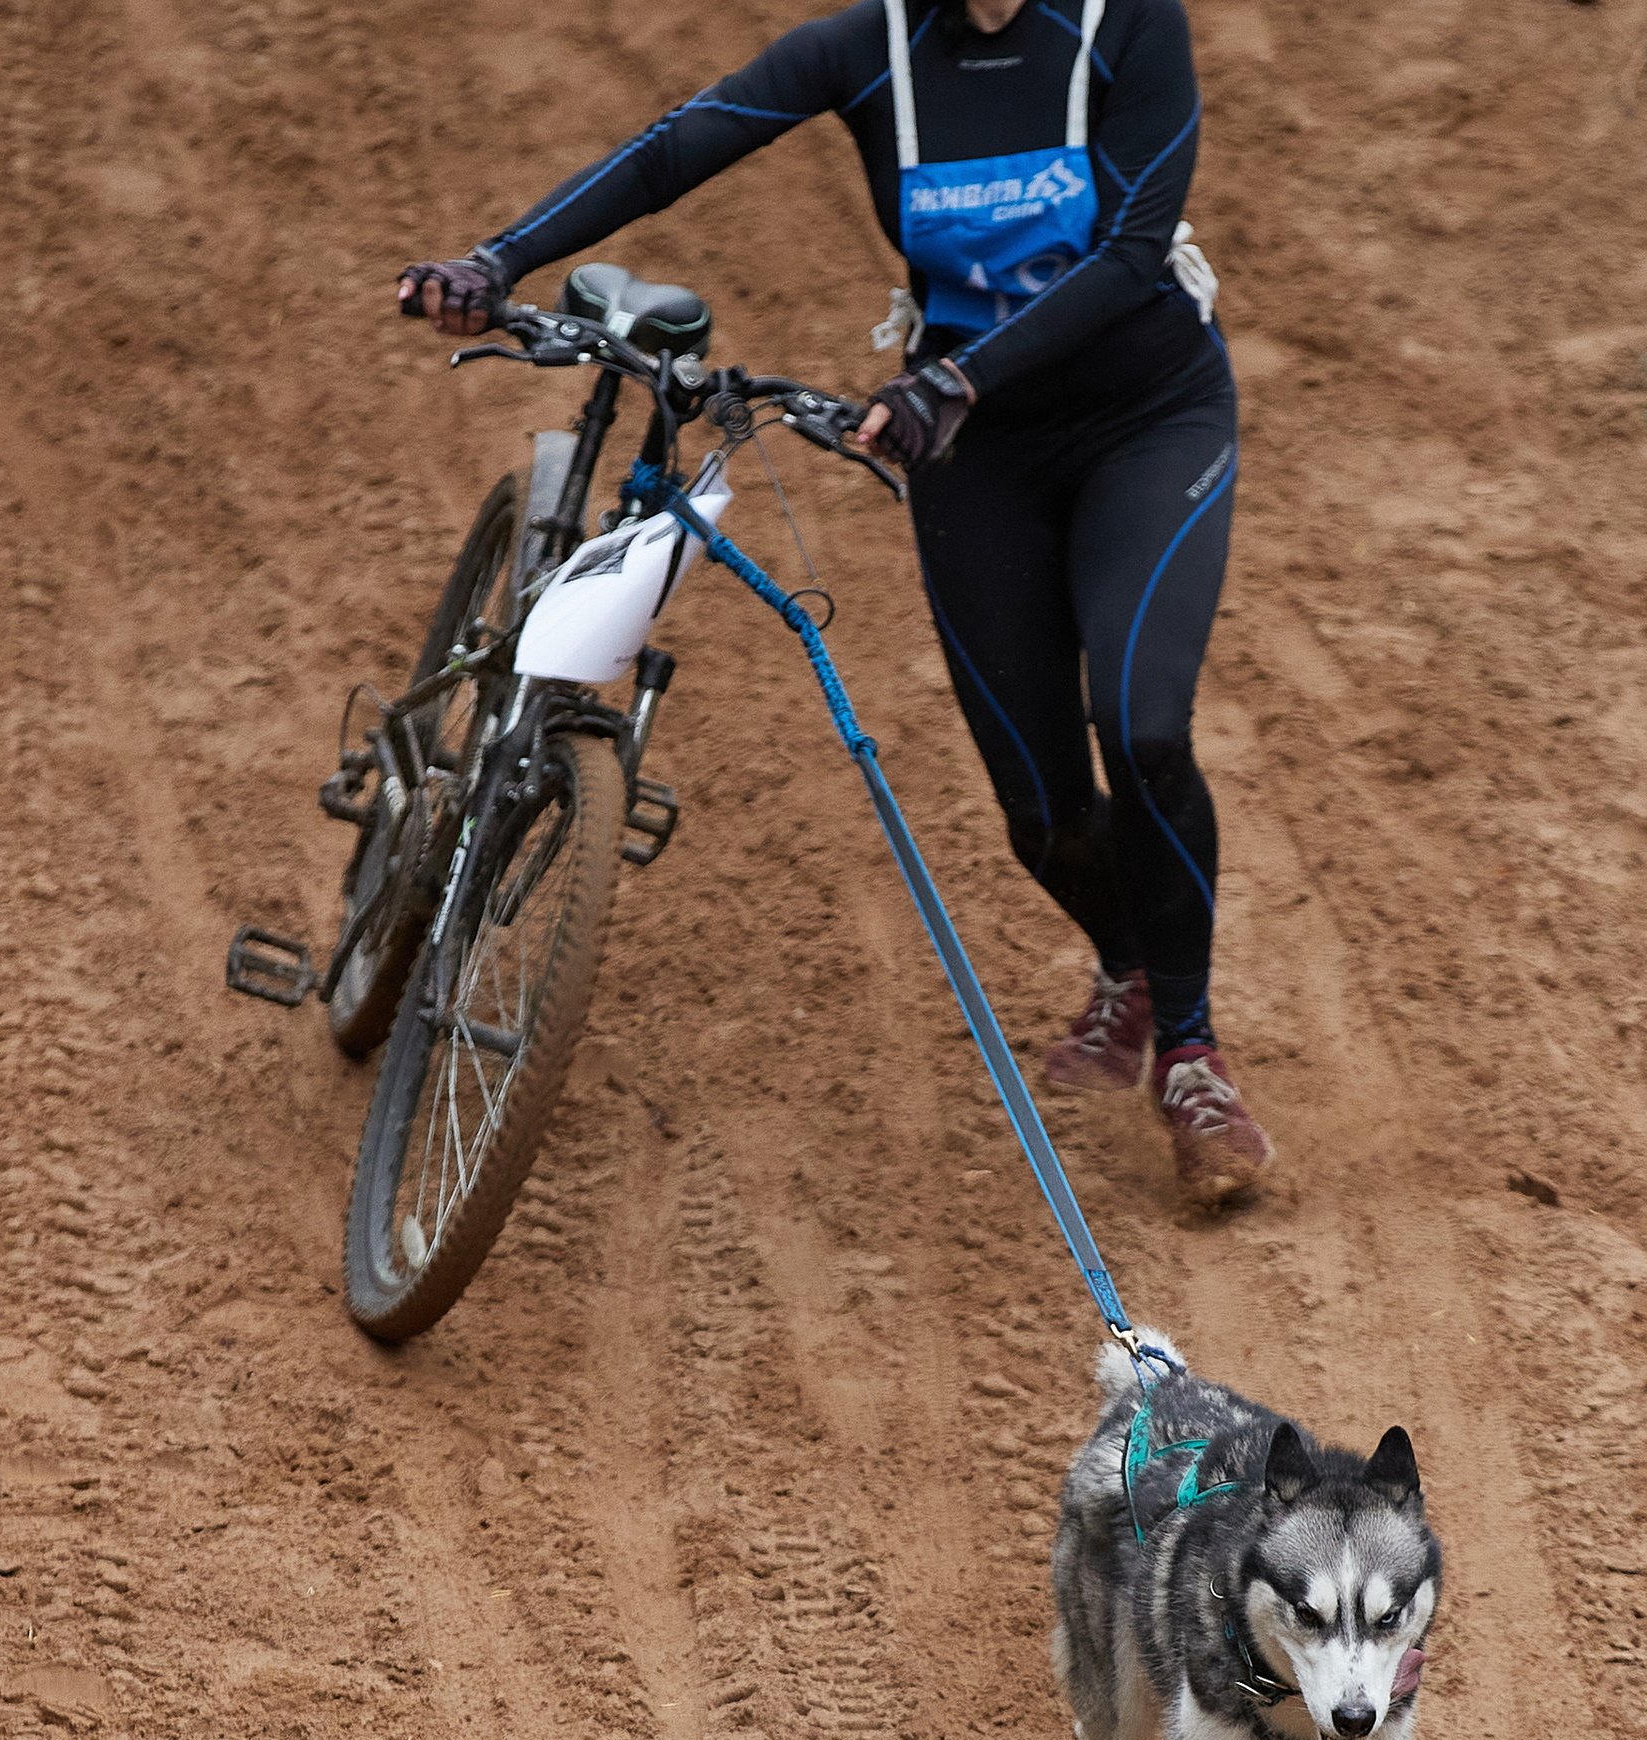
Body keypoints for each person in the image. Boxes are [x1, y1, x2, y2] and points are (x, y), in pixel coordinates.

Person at [400, 0, 1273, 1204]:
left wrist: (955, 372)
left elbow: (1131, 254)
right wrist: (497, 258)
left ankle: (1189, 1053)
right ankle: (1128, 955)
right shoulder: (873, 50)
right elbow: (676, 147)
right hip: (979, 457)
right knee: (1041, 813)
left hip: (1147, 422)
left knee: (1143, 725)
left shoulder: (1126, 26)